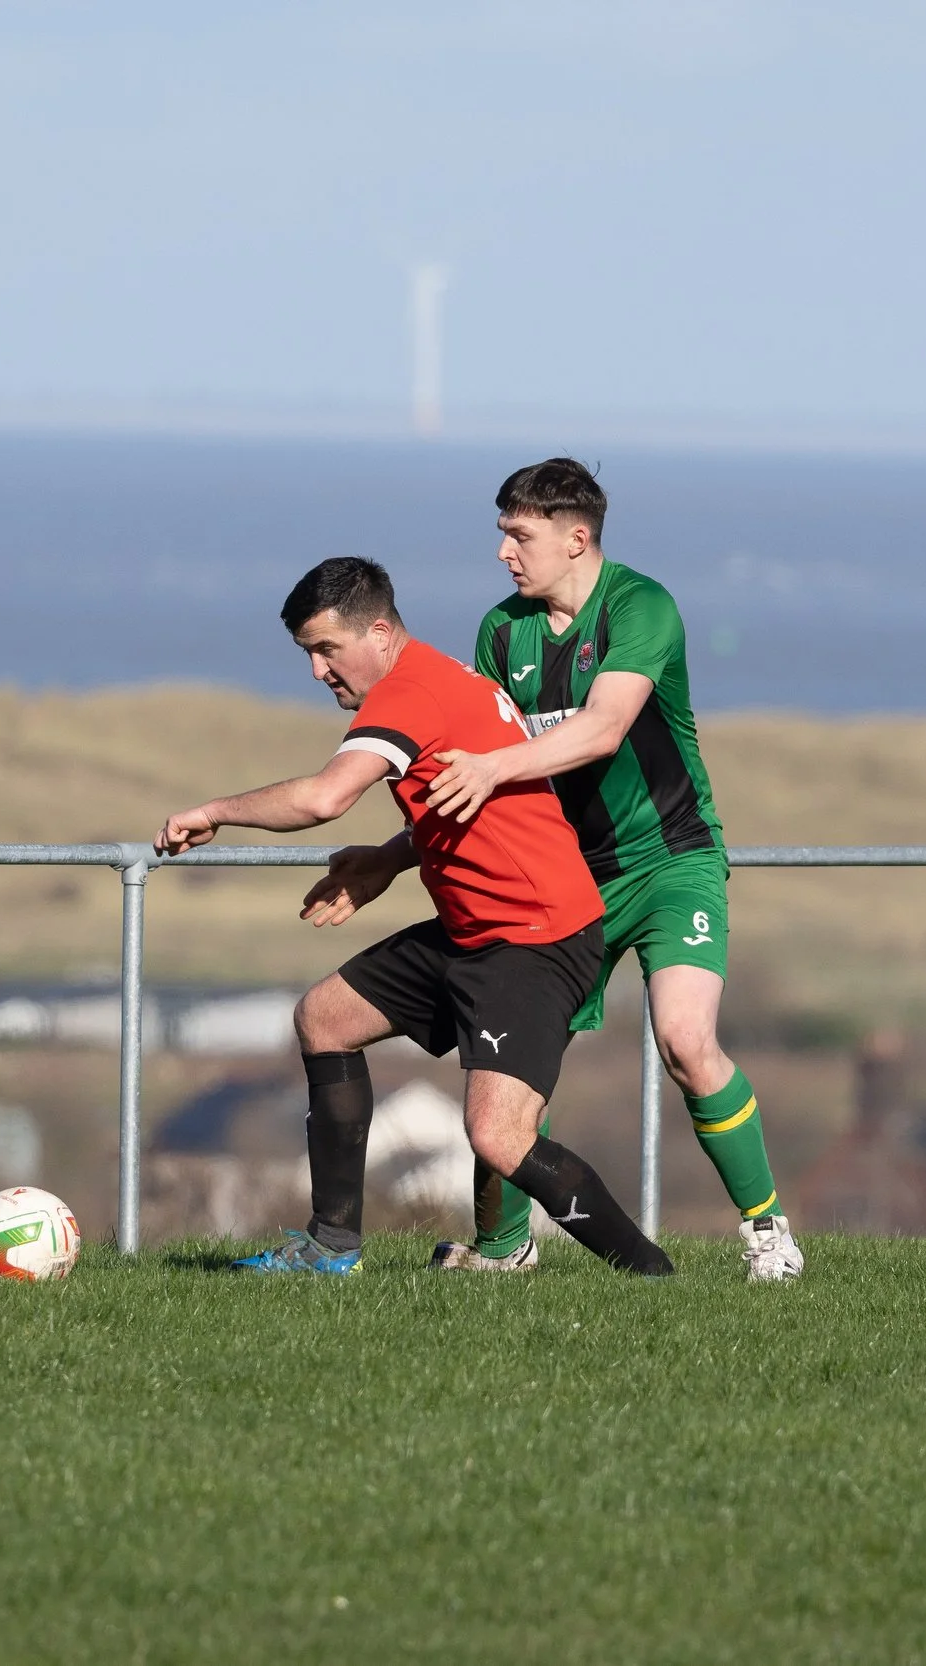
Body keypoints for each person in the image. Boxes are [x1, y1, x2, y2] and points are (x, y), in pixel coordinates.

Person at [305, 459, 804, 1281]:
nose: (504, 551)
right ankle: (505, 1248)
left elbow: (603, 728)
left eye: (520, 535)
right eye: (502, 533)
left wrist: (499, 767)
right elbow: (466, 785)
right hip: (570, 880)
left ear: (577, 538)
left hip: (672, 860)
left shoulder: (641, 607)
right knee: (503, 1065)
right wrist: (392, 861)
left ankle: (767, 1233)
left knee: (685, 1041)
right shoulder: (502, 631)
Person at [156, 556, 672, 1277]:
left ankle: (649, 1275)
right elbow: (470, 806)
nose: (317, 671)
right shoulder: (438, 676)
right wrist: (389, 860)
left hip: (535, 938)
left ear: (378, 632)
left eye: (327, 650)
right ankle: (330, 1248)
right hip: (476, 931)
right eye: (306, 653)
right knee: (326, 1018)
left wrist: (212, 811)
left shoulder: (407, 692)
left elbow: (324, 798)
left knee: (498, 1137)